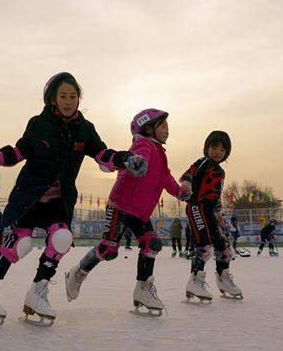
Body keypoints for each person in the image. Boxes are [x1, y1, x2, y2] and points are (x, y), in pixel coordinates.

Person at [0, 72, 145, 325]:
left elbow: (103, 154)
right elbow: (16, 153)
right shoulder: (38, 124)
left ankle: (37, 292)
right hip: (30, 197)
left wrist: (126, 159)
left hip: (59, 202)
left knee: (62, 239)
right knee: (21, 244)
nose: (68, 100)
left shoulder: (84, 129)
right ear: (52, 98)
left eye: (73, 96)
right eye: (63, 95)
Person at [65, 109, 190, 315]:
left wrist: (180, 192)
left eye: (168, 126)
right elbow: (140, 155)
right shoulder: (145, 144)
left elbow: (166, 179)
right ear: (148, 128)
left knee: (152, 244)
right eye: (163, 126)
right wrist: (136, 161)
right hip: (121, 206)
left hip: (141, 213)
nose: (167, 130)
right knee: (108, 249)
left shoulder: (160, 153)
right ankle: (77, 272)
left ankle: (142, 289)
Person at [181, 131, 242, 302]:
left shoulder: (221, 171)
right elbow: (188, 174)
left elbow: (216, 196)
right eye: (214, 147)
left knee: (225, 249)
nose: (217, 152)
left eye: (222, 150)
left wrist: (220, 218)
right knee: (205, 247)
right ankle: (195, 281)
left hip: (210, 211)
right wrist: (186, 185)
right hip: (196, 206)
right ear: (207, 148)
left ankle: (224, 279)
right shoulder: (203, 162)